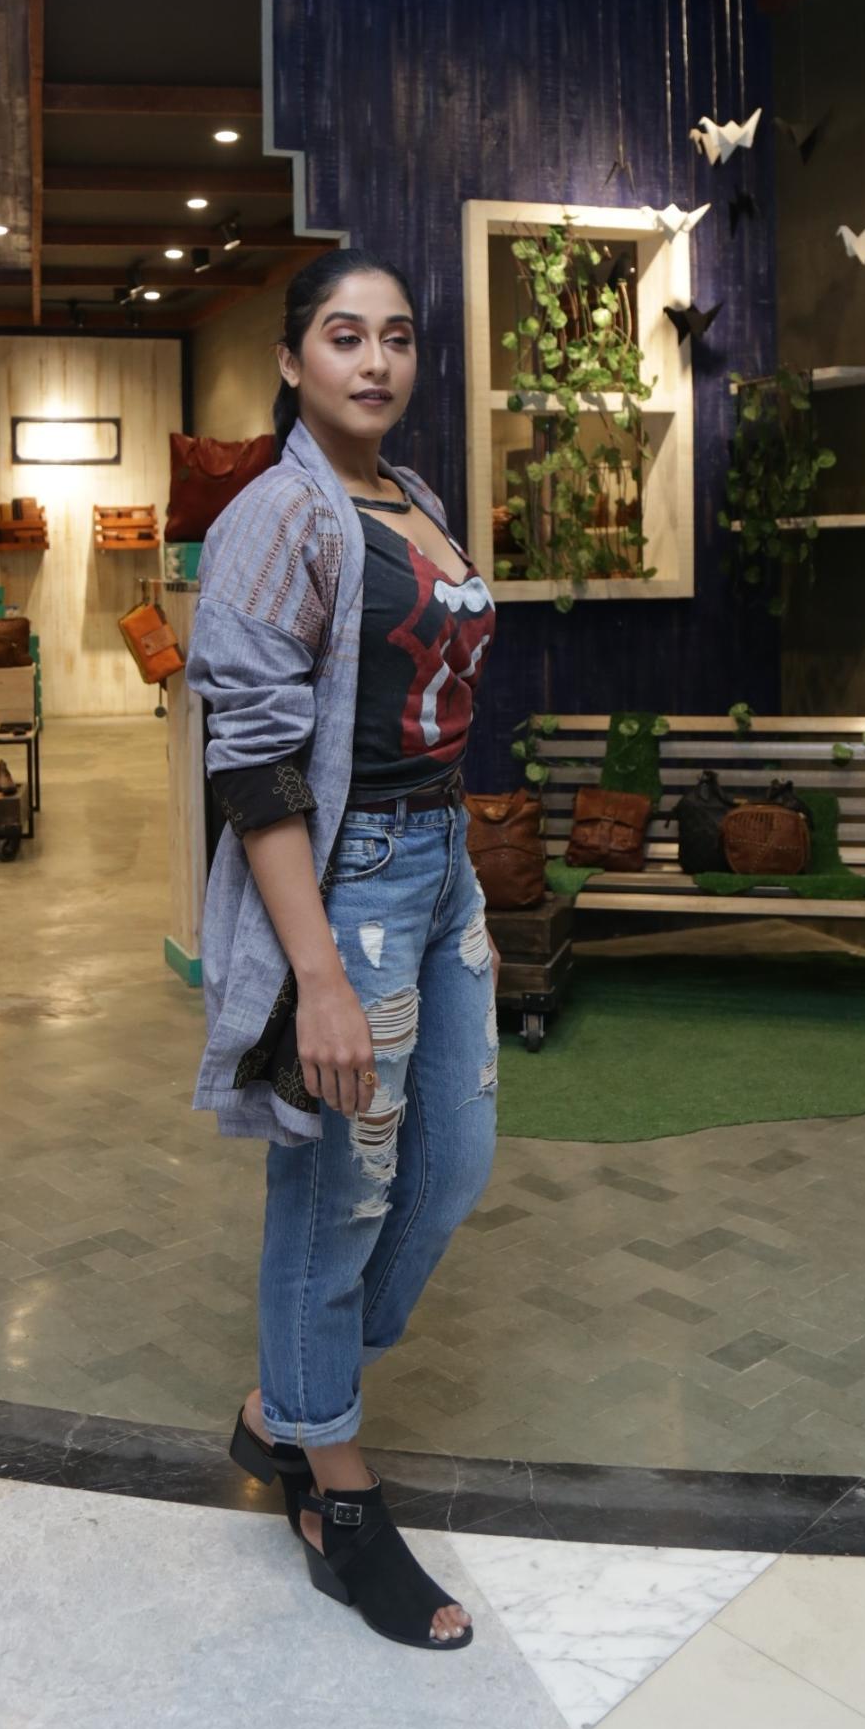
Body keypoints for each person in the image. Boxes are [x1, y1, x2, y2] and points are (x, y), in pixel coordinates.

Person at [185, 246, 502, 1653]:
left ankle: (285, 1400)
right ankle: (337, 1491)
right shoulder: (277, 512)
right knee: (339, 1190)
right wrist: (315, 972)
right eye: (343, 335)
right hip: (349, 878)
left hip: (440, 867)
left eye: (396, 337)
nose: (375, 360)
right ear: (291, 360)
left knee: (448, 1164)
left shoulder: (411, 495)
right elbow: (252, 764)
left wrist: (455, 878)